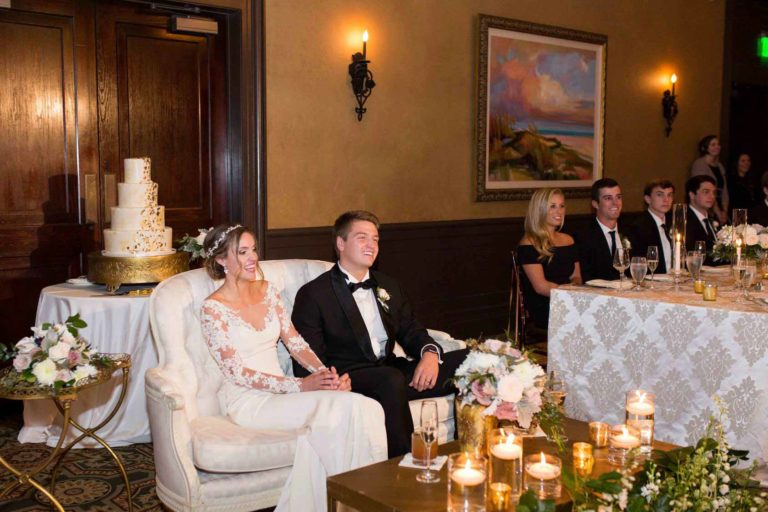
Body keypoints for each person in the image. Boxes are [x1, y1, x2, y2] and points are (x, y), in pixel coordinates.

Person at [199, 224, 387, 512]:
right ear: (222, 260)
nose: (253, 258)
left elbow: (295, 342)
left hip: (284, 392)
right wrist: (301, 385)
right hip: (248, 401)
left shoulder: (268, 291)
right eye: (243, 252)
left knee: (367, 407)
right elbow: (236, 372)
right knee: (337, 409)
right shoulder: (213, 308)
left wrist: (327, 376)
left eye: (254, 250)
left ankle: (366, 500)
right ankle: (347, 503)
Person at [291, 210, 468, 458]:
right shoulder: (314, 294)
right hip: (349, 378)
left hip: (391, 372)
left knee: (470, 360)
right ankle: (406, 465)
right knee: (389, 379)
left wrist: (429, 355)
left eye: (375, 239)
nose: (371, 245)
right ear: (340, 243)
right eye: (362, 237)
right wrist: (332, 381)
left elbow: (412, 330)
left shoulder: (388, 285)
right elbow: (307, 360)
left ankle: (468, 451)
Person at [517, 188, 581, 330]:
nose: (559, 211)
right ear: (539, 209)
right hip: (546, 305)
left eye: (561, 206)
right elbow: (540, 287)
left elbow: (576, 277)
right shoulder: (529, 243)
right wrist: (567, 294)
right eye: (552, 206)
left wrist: (573, 291)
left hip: (570, 300)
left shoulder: (568, 240)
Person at [574, 178, 626, 282]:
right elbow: (586, 278)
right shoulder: (583, 237)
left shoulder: (632, 232)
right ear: (595, 204)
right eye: (608, 198)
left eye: (618, 197)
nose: (615, 203)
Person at [629, 179, 674, 274]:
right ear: (648, 199)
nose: (666, 199)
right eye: (660, 194)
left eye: (669, 195)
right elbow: (637, 264)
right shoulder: (639, 227)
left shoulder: (674, 223)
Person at [691, 135, 729, 224]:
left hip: (719, 205)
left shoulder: (719, 166)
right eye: (713, 145)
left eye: (718, 144)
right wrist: (718, 212)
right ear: (705, 148)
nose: (717, 147)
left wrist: (724, 210)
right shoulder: (700, 164)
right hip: (707, 206)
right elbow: (704, 189)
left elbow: (724, 190)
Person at [685, 175, 721, 265]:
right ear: (692, 195)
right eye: (706, 192)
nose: (712, 196)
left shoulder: (712, 219)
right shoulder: (684, 220)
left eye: (714, 192)